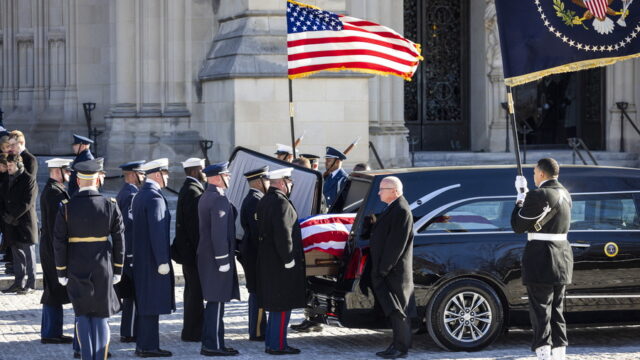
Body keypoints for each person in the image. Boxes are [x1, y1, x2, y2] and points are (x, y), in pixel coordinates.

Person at [52, 158, 125, 360]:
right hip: (103, 266)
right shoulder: (110, 204)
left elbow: (58, 241)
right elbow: (120, 240)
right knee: (101, 316)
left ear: (78, 181)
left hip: (76, 265)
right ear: (98, 179)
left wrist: (61, 270)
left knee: (82, 315)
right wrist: (118, 269)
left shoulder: (66, 206)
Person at [511, 158, 573, 360]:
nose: (534, 176)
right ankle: (559, 353)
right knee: (557, 310)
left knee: (540, 311)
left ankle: (544, 354)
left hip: (542, 257)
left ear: (542, 174)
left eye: (535, 172)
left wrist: (520, 197)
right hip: (562, 257)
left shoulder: (538, 195)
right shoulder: (565, 193)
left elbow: (518, 226)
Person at [256, 167, 306, 355]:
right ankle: (278, 345)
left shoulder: (266, 200)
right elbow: (283, 234)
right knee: (282, 305)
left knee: (276, 306)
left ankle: (272, 342)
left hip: (269, 262)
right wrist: (288, 259)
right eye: (289, 181)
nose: (291, 184)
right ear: (281, 182)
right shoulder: (280, 202)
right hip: (280, 263)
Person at [131, 158, 175, 358]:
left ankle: (144, 345)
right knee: (152, 303)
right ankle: (149, 347)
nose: (167, 177)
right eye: (165, 173)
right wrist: (162, 261)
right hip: (153, 260)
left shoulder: (141, 195)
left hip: (141, 258)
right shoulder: (155, 198)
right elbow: (157, 232)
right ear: (158, 174)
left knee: (145, 302)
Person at [368, 176, 415, 359]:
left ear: (394, 191)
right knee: (393, 310)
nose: (379, 192)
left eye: (382, 189)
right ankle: (396, 344)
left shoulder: (401, 210)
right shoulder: (393, 207)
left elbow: (396, 245)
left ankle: (401, 348)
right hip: (387, 270)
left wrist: (383, 269)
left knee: (398, 311)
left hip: (394, 272)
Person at [197, 162, 240, 356]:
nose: (229, 178)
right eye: (226, 175)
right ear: (217, 178)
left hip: (208, 257)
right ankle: (211, 345)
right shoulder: (218, 199)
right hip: (216, 259)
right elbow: (218, 234)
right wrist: (223, 260)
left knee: (217, 302)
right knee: (216, 302)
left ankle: (217, 343)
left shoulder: (208, 196)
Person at [39, 158, 74, 344]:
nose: (69, 174)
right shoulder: (55, 193)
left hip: (50, 247)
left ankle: (51, 331)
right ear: (56, 171)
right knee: (53, 290)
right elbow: (57, 227)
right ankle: (51, 333)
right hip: (53, 248)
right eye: (66, 171)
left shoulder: (56, 190)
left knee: (52, 289)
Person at [172, 158, 206, 342]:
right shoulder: (193, 191)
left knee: (192, 291)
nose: (205, 172)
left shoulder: (190, 188)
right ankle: (193, 332)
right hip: (192, 253)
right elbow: (195, 228)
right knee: (195, 292)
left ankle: (191, 330)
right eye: (202, 169)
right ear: (194, 172)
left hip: (188, 252)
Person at [115, 160, 146, 343]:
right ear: (134, 174)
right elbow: (129, 228)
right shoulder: (131, 195)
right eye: (142, 174)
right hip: (130, 252)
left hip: (128, 252)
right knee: (132, 295)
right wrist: (132, 254)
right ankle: (130, 332)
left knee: (131, 295)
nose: (143, 177)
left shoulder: (127, 193)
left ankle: (130, 329)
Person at [239, 166, 270, 341]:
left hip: (252, 254)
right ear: (259, 181)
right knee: (258, 293)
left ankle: (257, 329)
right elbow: (259, 233)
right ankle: (257, 331)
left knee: (257, 292)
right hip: (256, 255)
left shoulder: (254, 198)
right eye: (266, 180)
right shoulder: (256, 201)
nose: (268, 183)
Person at [1, 154, 38, 295]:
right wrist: (5, 216)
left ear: (19, 165)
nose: (9, 168)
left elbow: (27, 202)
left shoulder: (29, 180)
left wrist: (13, 216)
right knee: (17, 256)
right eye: (8, 166)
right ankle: (18, 283)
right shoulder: (6, 179)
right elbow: (3, 199)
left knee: (29, 255)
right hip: (10, 224)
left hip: (25, 223)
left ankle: (31, 284)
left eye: (11, 166)